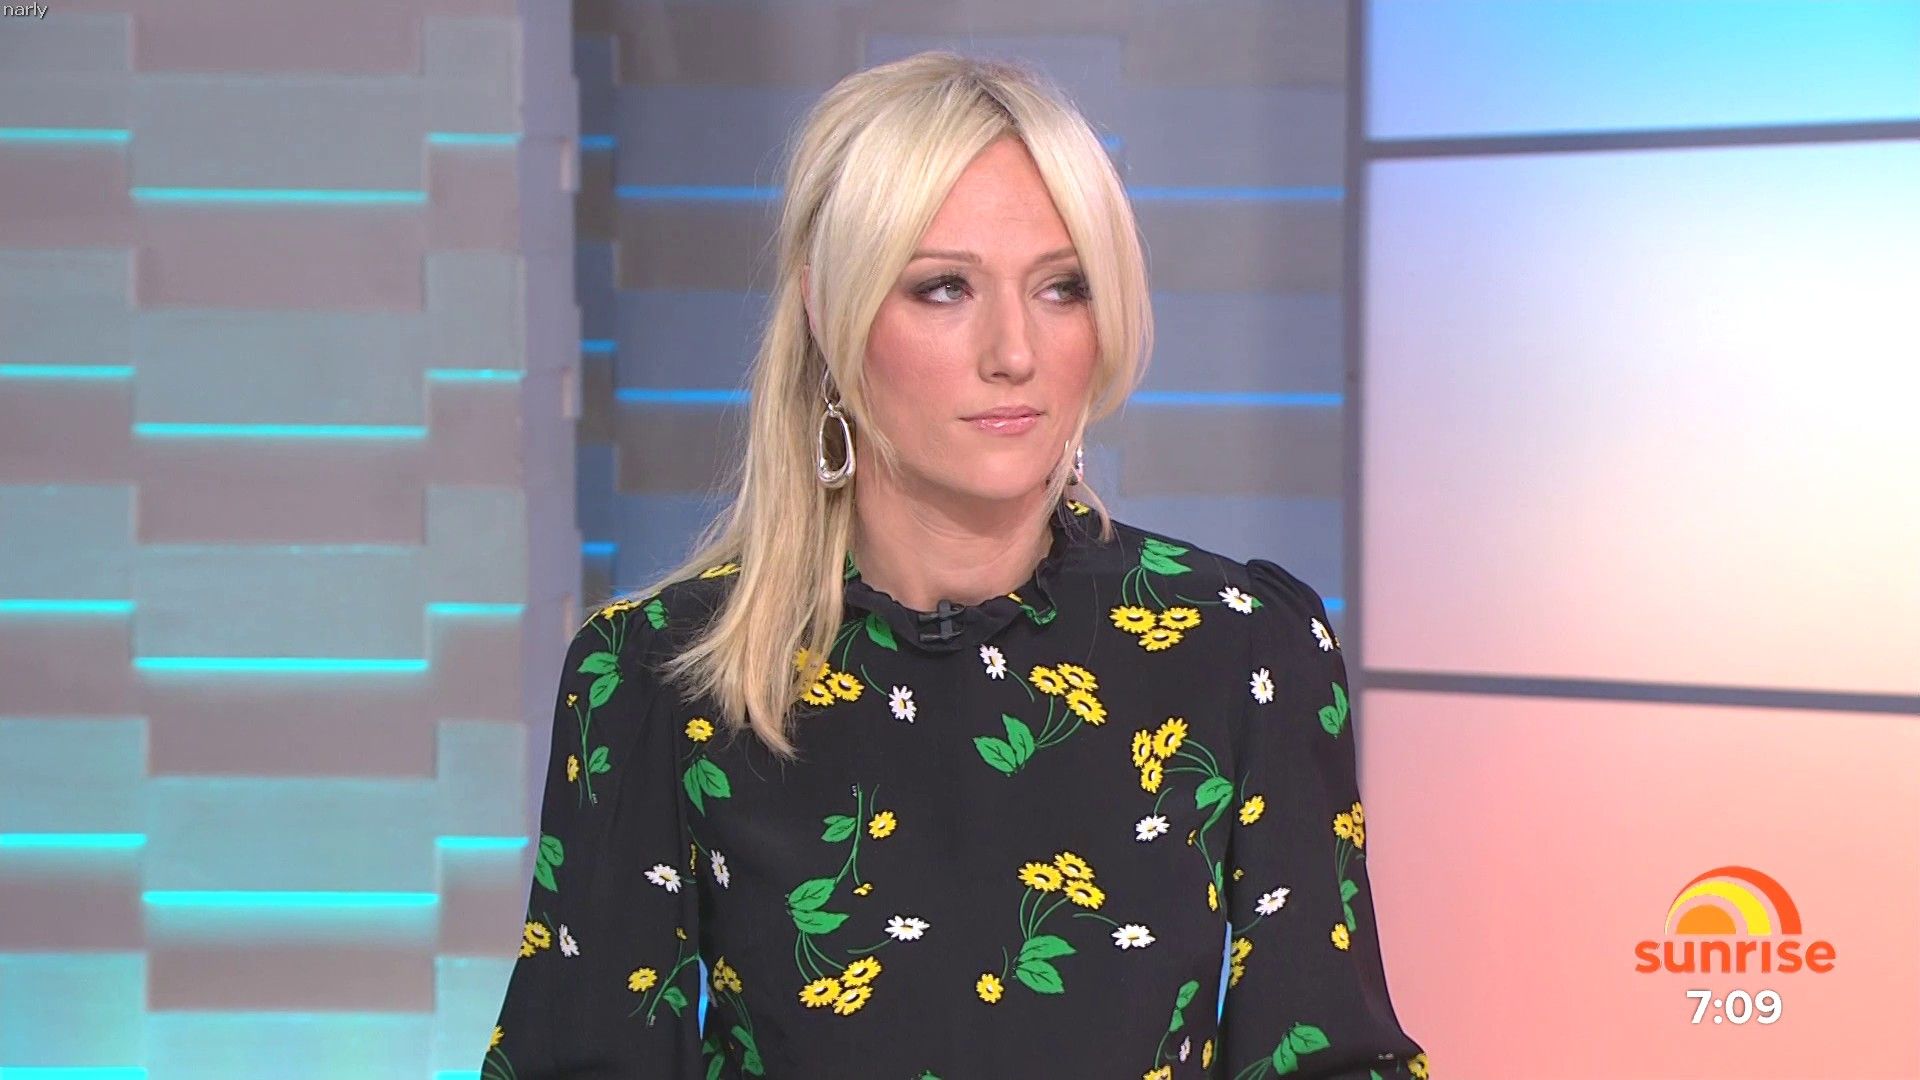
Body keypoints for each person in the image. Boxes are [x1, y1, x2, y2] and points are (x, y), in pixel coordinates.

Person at [482, 50, 1429, 1080]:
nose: (1013, 351)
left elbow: (1331, 1057)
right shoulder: (658, 682)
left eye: (1062, 287)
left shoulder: (1242, 650)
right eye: (944, 288)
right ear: (828, 312)